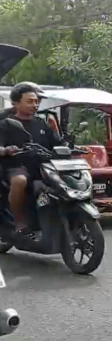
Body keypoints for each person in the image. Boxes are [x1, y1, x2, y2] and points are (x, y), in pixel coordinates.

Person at [0, 83, 63, 239]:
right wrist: (6, 150)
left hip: (42, 166)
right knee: (19, 181)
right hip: (17, 166)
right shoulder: (6, 124)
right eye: (30, 101)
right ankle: (20, 223)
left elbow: (58, 143)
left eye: (36, 101)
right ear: (15, 103)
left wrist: (72, 148)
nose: (35, 105)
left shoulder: (42, 123)